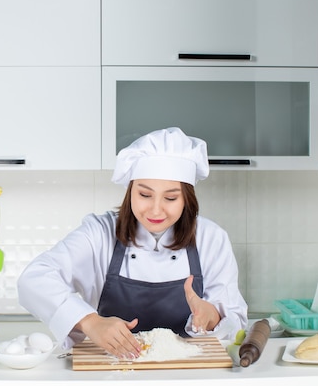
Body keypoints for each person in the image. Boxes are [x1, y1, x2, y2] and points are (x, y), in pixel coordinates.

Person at [17, 127, 247, 359]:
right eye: (145, 195)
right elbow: (34, 278)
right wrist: (90, 322)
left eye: (170, 198)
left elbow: (235, 322)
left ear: (187, 198)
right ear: (130, 192)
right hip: (111, 368)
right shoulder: (99, 233)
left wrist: (211, 316)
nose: (156, 209)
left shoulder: (211, 238)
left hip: (187, 370)